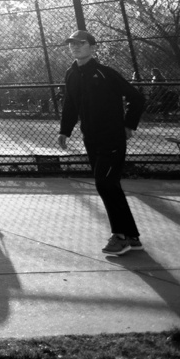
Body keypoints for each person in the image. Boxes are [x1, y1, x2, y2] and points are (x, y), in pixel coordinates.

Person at [57, 29, 146, 257]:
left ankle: (120, 236)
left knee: (104, 183)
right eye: (72, 43)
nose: (75, 46)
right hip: (91, 139)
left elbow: (137, 97)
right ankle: (131, 236)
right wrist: (64, 131)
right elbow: (70, 105)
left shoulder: (106, 73)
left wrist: (129, 125)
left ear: (92, 47)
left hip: (112, 138)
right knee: (110, 184)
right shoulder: (71, 74)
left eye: (80, 43)